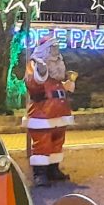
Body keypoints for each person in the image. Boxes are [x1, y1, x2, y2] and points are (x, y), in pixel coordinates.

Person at [24, 34, 78, 185]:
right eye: (53, 48)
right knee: (43, 142)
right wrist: (40, 72)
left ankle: (53, 169)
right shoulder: (35, 65)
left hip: (59, 112)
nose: (56, 52)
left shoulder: (56, 76)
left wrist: (68, 84)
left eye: (57, 48)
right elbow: (32, 84)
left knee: (57, 141)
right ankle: (40, 173)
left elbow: (61, 87)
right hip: (43, 113)